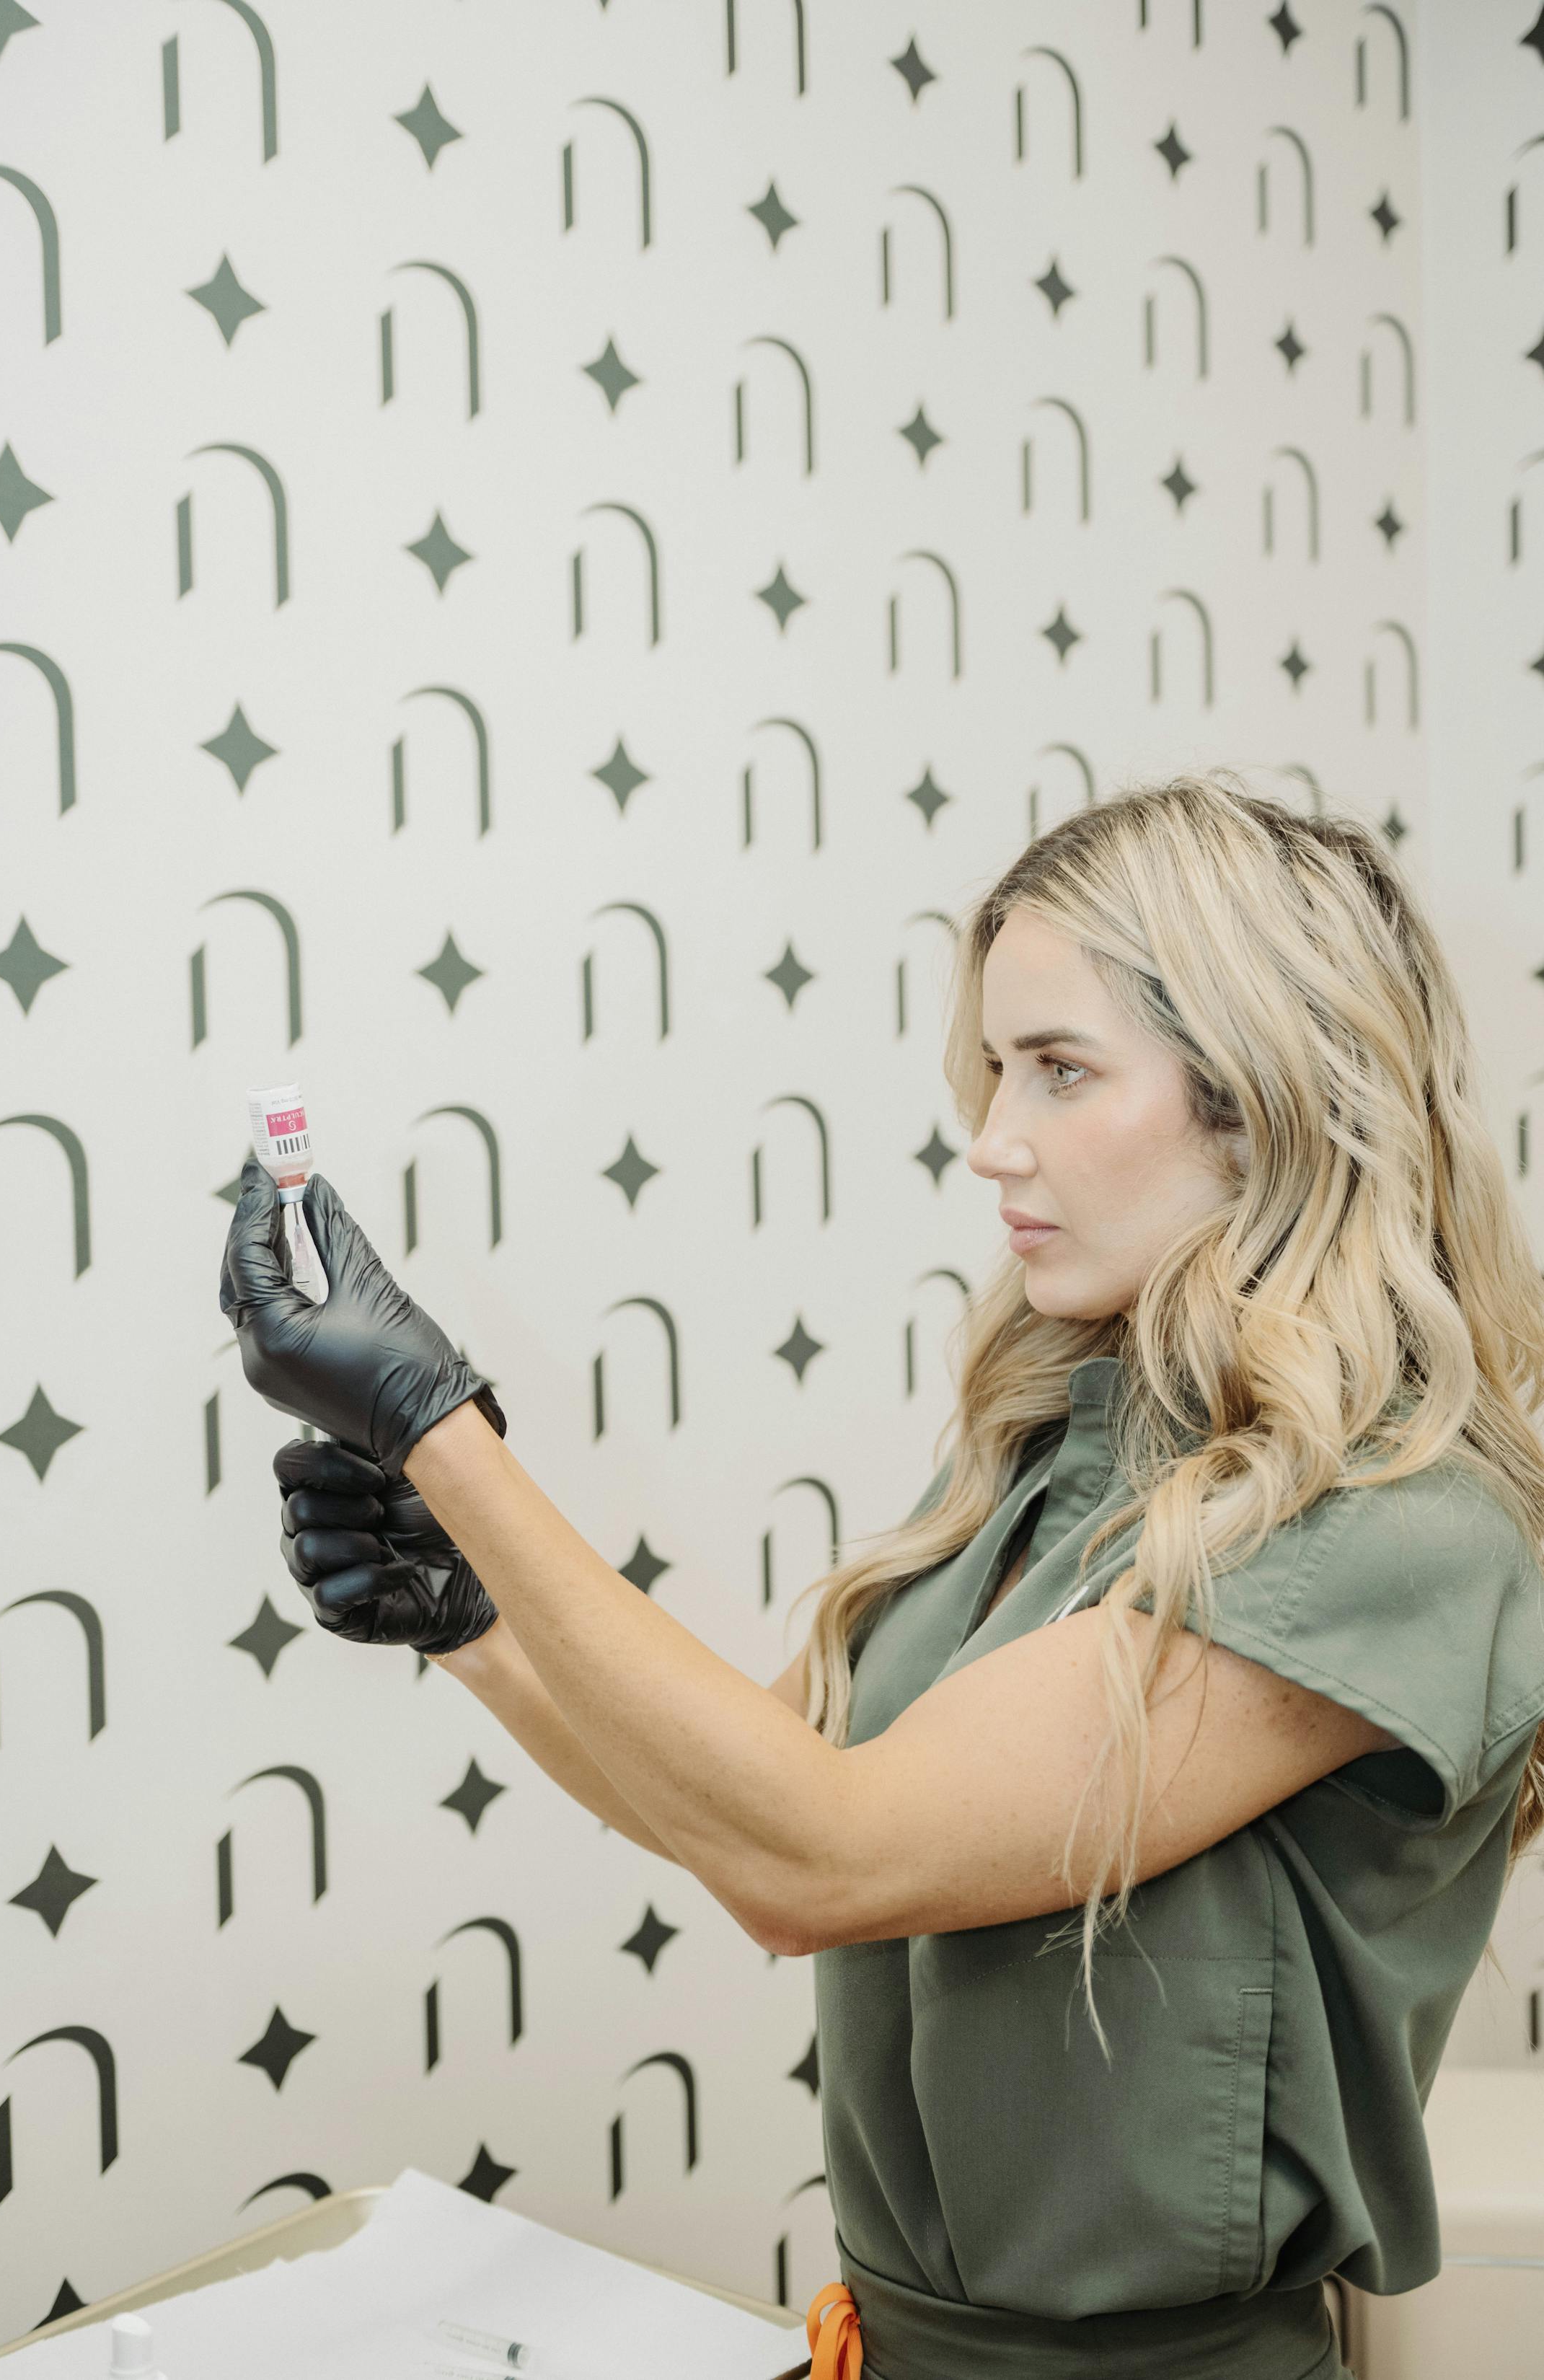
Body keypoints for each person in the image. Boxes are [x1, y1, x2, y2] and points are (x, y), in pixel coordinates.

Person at [221, 775, 1544, 2380]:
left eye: (1060, 1069)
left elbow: (819, 1860)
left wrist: (441, 1437)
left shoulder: (1391, 1526)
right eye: (996, 1068)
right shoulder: (1062, 1446)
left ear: (1260, 1097)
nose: (991, 1140)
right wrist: (473, 1628)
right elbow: (745, 1803)